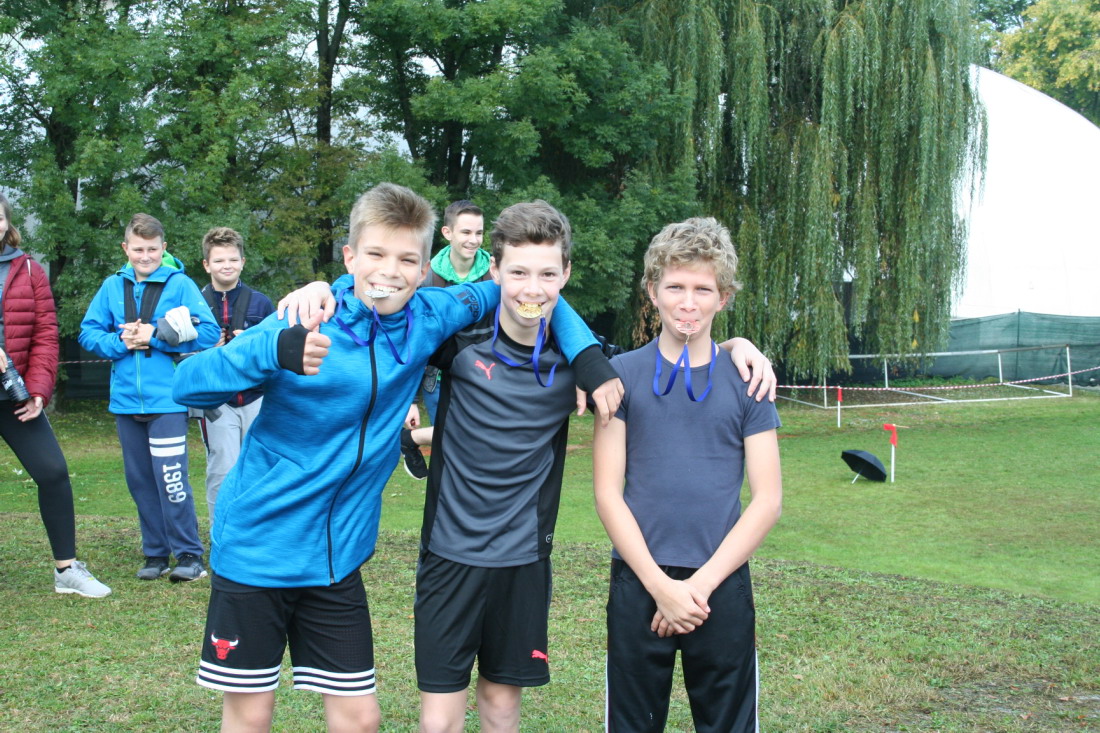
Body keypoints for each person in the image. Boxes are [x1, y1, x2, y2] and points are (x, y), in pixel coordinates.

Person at [171, 183, 609, 733]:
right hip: (258, 549)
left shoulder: (433, 313)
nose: (389, 271)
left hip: (336, 561)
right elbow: (187, 383)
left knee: (360, 720)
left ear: (425, 268)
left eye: (406, 259)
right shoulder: (302, 319)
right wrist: (272, 349)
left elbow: (527, 290)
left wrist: (588, 358)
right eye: (375, 254)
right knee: (251, 715)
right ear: (350, 257)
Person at [412, 201, 774, 733]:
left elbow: (765, 495)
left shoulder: (594, 365)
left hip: (539, 566)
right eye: (518, 272)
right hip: (472, 559)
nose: (533, 287)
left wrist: (738, 346)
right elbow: (395, 320)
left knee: (504, 708)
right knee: (444, 719)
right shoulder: (474, 344)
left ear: (565, 275)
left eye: (547, 274)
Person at [593, 217, 783, 732]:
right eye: (675, 287)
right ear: (652, 291)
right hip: (639, 579)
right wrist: (660, 586)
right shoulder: (621, 376)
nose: (688, 302)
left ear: (724, 298)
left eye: (703, 289)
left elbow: (768, 499)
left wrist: (698, 587)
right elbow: (607, 493)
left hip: (720, 581)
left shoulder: (749, 381)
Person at [78, 213, 219, 583]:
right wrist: (121, 341)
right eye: (138, 249)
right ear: (126, 248)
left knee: (171, 480)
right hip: (126, 403)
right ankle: (155, 554)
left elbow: (209, 333)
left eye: (152, 249)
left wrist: (155, 336)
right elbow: (88, 333)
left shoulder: (180, 283)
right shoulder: (112, 285)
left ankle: (189, 555)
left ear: (163, 248)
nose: (146, 256)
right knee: (141, 483)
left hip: (167, 403)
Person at [0, 193, 111, 598]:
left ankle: (66, 570)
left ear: (7, 222)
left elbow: (46, 336)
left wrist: (38, 391)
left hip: (14, 396)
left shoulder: (29, 269)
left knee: (53, 473)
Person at [399, 200, 490, 480]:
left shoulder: (495, 274)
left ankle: (411, 440)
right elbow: (413, 340)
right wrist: (411, 400)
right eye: (466, 232)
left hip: (486, 373)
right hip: (437, 379)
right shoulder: (426, 278)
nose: (473, 240)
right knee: (451, 447)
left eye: (479, 232)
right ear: (447, 233)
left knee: (483, 440)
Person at [197, 227, 275, 522]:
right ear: (207, 265)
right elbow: (183, 355)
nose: (226, 266)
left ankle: (258, 533)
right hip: (217, 401)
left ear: (243, 262)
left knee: (259, 469)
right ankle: (222, 534)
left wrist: (251, 344)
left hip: (257, 398)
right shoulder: (194, 302)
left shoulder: (261, 303)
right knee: (222, 469)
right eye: (219, 260)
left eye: (232, 259)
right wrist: (208, 348)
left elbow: (274, 351)